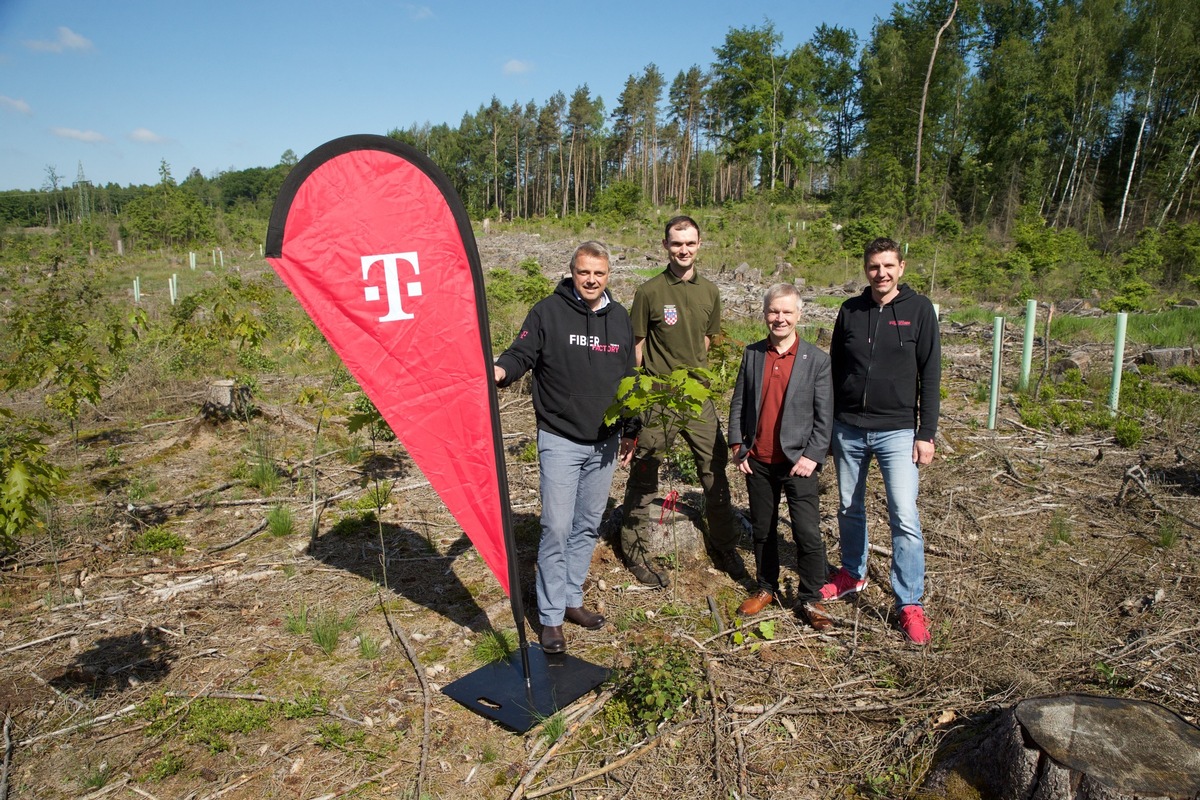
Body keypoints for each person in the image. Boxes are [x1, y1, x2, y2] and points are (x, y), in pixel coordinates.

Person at [494, 241, 638, 654]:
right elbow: (521, 353)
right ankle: (550, 616)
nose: (591, 280)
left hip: (606, 443)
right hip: (560, 437)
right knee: (556, 527)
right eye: (583, 272)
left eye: (599, 273)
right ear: (572, 272)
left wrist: (631, 428)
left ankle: (572, 598)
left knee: (586, 524)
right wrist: (501, 370)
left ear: (609, 274)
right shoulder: (548, 312)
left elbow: (629, 376)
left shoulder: (620, 318)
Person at [820, 237, 941, 645]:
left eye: (888, 266)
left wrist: (926, 433)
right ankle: (852, 574)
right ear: (865, 268)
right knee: (848, 507)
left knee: (904, 515)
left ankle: (910, 603)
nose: (881, 273)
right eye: (874, 266)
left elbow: (931, 375)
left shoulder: (920, 311)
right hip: (849, 427)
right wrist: (829, 426)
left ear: (901, 267)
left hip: (898, 430)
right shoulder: (850, 311)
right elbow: (834, 370)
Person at [616, 215, 745, 588]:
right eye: (676, 243)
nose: (683, 249)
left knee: (714, 471)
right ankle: (636, 551)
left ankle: (724, 546)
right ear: (665, 246)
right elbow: (635, 350)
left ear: (699, 245)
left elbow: (707, 340)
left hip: (696, 398)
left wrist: (695, 379)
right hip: (657, 397)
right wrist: (634, 410)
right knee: (645, 474)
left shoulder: (710, 292)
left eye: (689, 243)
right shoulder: (649, 291)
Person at [728, 284, 834, 630]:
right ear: (764, 314)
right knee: (763, 529)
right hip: (758, 460)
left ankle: (810, 599)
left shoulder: (816, 360)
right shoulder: (754, 354)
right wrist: (737, 447)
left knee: (806, 532)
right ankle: (766, 587)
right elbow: (739, 403)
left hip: (798, 463)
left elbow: (824, 416)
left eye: (787, 312)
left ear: (799, 315)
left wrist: (813, 455)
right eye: (774, 311)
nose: (780, 318)